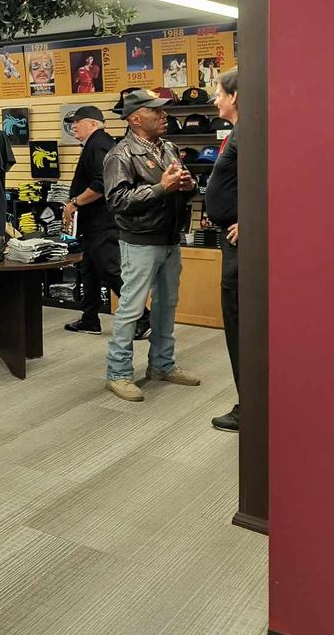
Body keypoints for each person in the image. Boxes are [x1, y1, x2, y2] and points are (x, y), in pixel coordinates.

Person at [101, 89, 201, 402]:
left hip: (170, 238)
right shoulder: (120, 155)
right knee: (131, 309)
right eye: (155, 111)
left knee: (166, 305)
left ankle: (162, 365)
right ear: (135, 119)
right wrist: (160, 188)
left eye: (162, 110)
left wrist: (189, 186)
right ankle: (117, 373)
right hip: (140, 242)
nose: (163, 115)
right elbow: (117, 201)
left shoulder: (167, 147)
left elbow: (180, 187)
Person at [61, 107, 151, 340]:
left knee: (111, 271)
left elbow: (103, 183)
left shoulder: (99, 144)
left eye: (77, 122)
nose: (73, 126)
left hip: (102, 222)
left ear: (93, 123)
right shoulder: (95, 143)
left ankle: (143, 317)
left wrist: (75, 203)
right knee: (89, 270)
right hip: (93, 223)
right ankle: (90, 319)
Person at [205, 69, 240, 432]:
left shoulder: (248, 132)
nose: (215, 100)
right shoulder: (240, 132)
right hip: (231, 238)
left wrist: (251, 219)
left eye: (218, 93)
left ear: (235, 96)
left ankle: (250, 407)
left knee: (239, 322)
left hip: (240, 243)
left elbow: (272, 176)